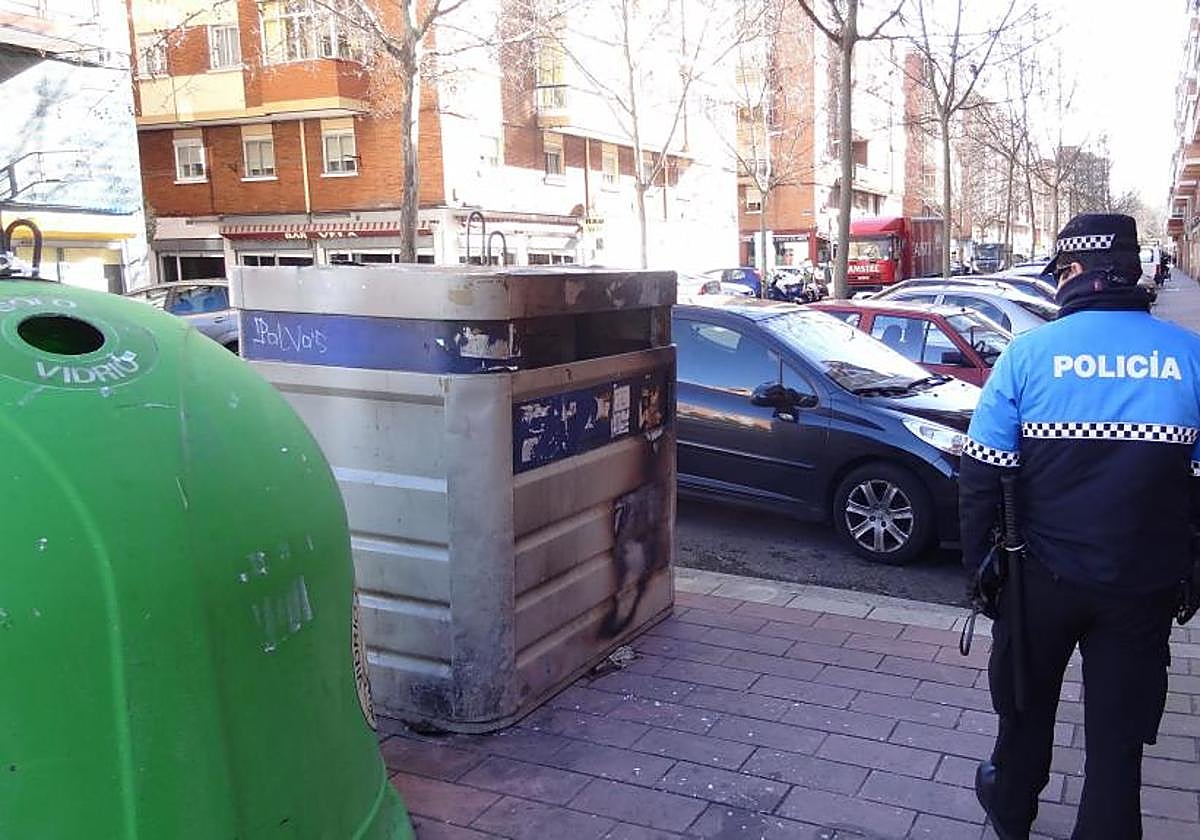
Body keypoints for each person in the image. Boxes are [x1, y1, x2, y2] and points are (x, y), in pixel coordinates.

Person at [959, 213, 1200, 839]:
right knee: (1118, 746)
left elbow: (982, 475)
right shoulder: (1190, 355)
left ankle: (1011, 811)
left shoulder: (1028, 354)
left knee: (1024, 710)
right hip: (1141, 585)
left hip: (1038, 579)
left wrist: (979, 577)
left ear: (1070, 273)